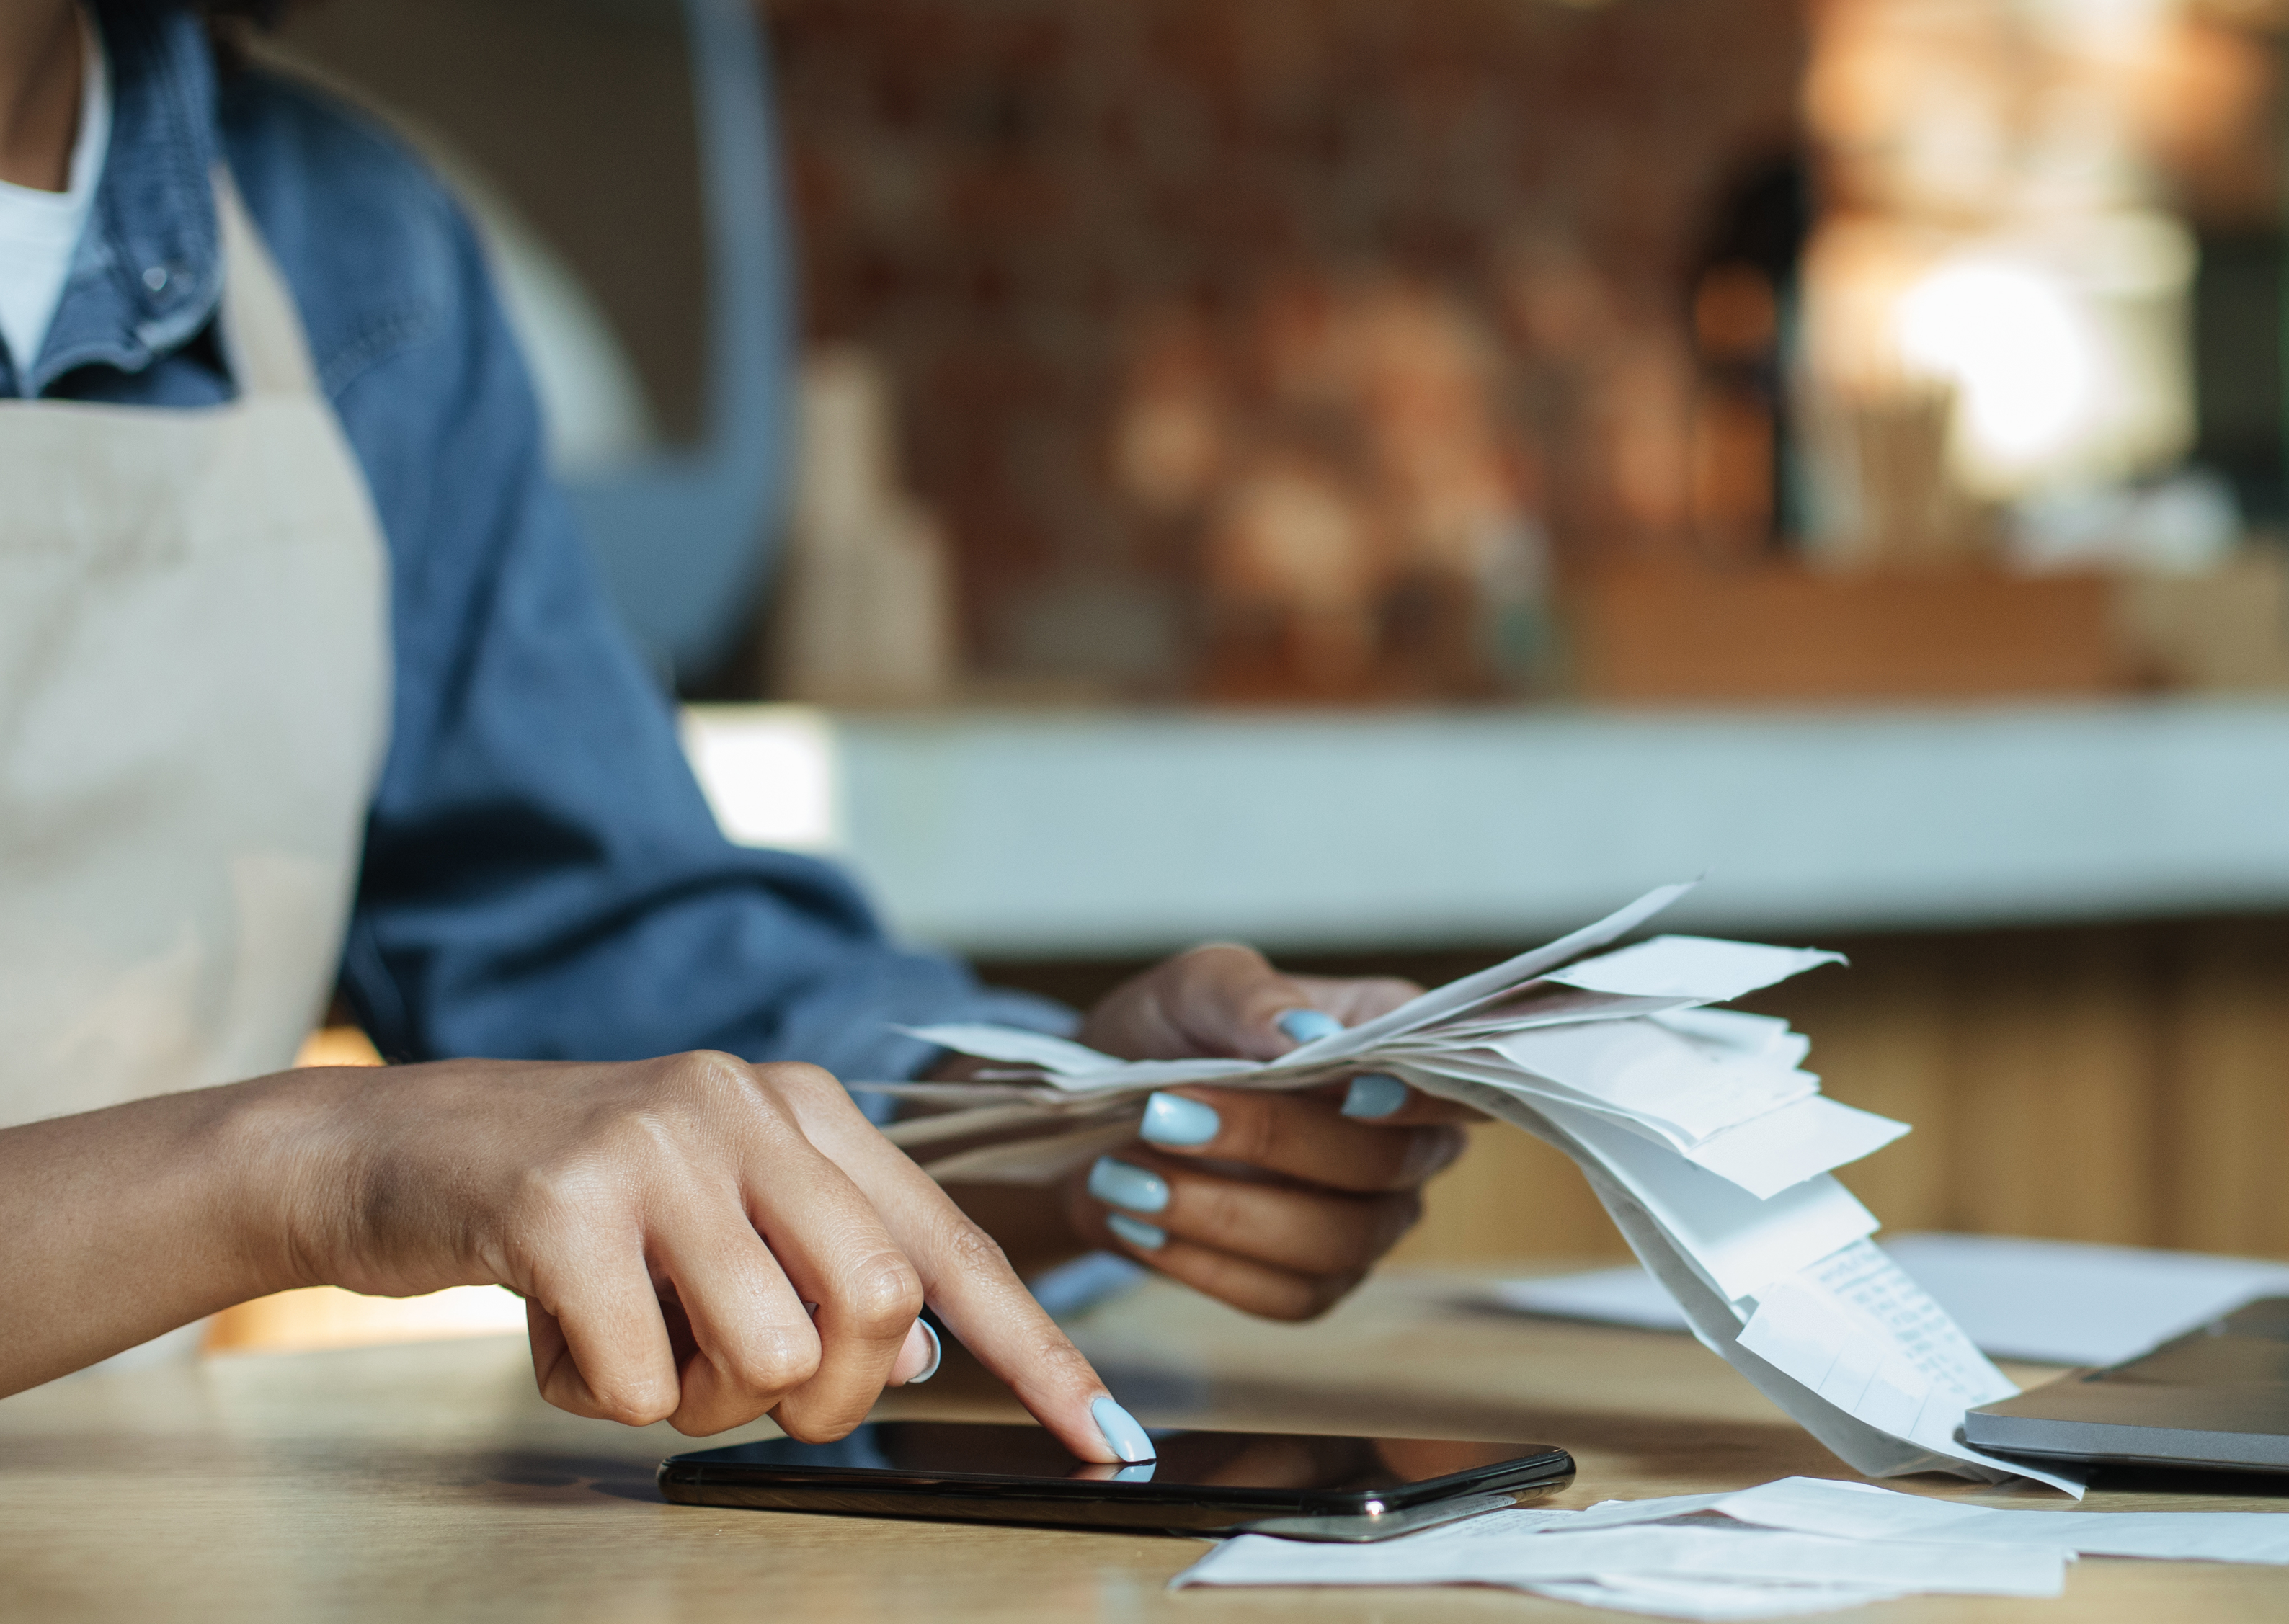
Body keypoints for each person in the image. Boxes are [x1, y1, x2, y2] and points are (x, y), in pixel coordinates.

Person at [0, 0, 1474, 1438]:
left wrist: (1076, 1117)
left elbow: (591, 948)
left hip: (117, 1536)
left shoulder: (349, 250)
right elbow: (376, 1137)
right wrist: (310, 1163)